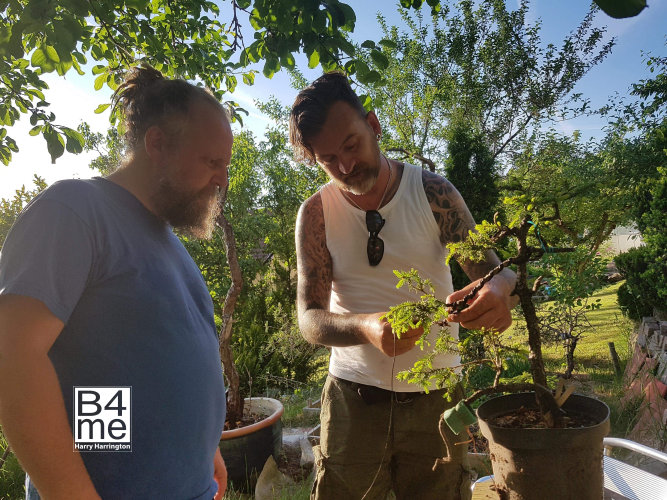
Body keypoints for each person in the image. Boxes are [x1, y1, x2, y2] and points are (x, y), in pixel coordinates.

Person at [0, 65, 232, 499]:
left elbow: (115, 371)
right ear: (157, 144)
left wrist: (204, 452)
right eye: (212, 161)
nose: (222, 179)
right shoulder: (76, 209)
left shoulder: (169, 243)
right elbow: (15, 359)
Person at [290, 72, 518, 500]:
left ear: (373, 125)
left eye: (351, 145)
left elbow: (494, 271)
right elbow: (309, 320)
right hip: (352, 401)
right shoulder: (316, 213)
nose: (344, 166)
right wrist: (367, 328)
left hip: (437, 399)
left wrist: (500, 289)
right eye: (327, 159)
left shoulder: (433, 193)